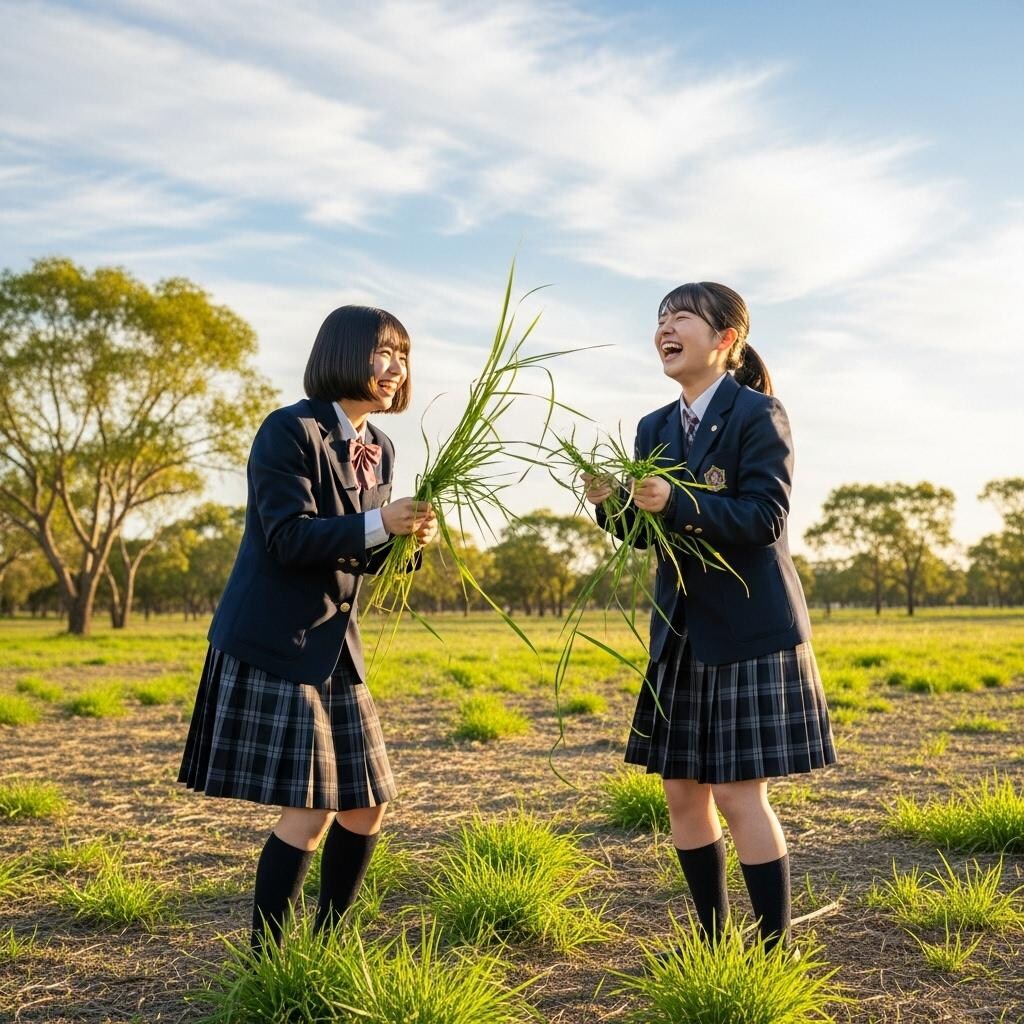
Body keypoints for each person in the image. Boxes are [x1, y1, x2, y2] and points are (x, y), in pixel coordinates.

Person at [583, 281, 835, 953]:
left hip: (750, 629)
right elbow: (646, 534)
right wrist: (611, 506)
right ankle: (714, 943)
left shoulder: (760, 414)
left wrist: (679, 502)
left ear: (726, 339)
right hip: (682, 632)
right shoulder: (653, 427)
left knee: (736, 793)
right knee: (680, 792)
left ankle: (775, 948)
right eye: (660, 318)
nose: (666, 327)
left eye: (682, 316)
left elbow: (765, 519)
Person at [178, 304, 437, 951]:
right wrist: (384, 525)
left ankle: (326, 946)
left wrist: (411, 541)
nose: (394, 368)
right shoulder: (287, 432)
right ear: (343, 354)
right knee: (312, 806)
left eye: (402, 356)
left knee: (366, 804)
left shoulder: (379, 447)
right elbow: (290, 538)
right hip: (275, 641)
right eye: (383, 352)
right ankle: (269, 960)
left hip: (336, 645)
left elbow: (364, 550)